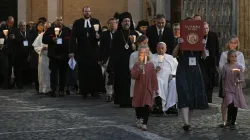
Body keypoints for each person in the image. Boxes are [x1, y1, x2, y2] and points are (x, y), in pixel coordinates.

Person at [172, 17, 209, 131]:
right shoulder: (180, 39)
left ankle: (188, 122)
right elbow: (173, 55)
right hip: (183, 69)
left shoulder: (198, 38)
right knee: (184, 93)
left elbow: (204, 56)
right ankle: (186, 122)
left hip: (195, 70)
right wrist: (179, 44)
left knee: (193, 95)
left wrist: (203, 45)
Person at [69, 6, 105, 98]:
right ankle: (84, 90)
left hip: (94, 50)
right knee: (83, 71)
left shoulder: (96, 21)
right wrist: (72, 51)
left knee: (95, 70)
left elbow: (101, 34)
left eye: (89, 11)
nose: (87, 13)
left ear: (91, 12)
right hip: (82, 50)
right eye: (85, 11)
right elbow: (73, 38)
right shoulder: (77, 23)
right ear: (83, 12)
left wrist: (99, 37)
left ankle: (95, 91)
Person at [108, 12, 138, 107]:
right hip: (120, 63)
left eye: (128, 21)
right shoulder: (117, 34)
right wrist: (112, 63)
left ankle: (132, 100)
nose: (126, 23)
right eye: (125, 21)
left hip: (132, 62)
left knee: (131, 82)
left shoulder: (134, 33)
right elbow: (113, 50)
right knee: (121, 82)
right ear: (121, 22)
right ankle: (122, 101)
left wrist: (135, 47)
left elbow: (141, 48)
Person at [218, 35, 245, 127]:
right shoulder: (224, 54)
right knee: (225, 100)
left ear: (237, 44)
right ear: (228, 43)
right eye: (231, 43)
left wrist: (234, 68)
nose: (233, 45)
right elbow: (221, 67)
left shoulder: (240, 54)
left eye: (235, 43)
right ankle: (224, 120)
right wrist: (228, 66)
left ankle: (232, 119)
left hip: (236, 81)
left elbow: (242, 67)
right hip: (226, 81)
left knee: (235, 101)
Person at [131, 45, 158, 131]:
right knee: (138, 105)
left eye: (145, 52)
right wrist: (139, 69)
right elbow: (133, 76)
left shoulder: (151, 65)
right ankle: (138, 118)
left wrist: (156, 88)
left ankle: (144, 123)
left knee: (147, 105)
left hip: (148, 88)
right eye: (142, 53)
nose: (143, 54)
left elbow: (154, 77)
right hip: (139, 88)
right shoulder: (136, 64)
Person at [43, 17, 71, 97]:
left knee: (63, 73)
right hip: (54, 55)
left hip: (64, 56)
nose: (59, 22)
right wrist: (52, 39)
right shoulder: (50, 30)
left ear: (63, 21)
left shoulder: (67, 30)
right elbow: (44, 39)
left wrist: (71, 52)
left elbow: (71, 41)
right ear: (55, 22)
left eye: (61, 20)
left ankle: (62, 89)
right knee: (53, 74)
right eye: (57, 20)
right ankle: (53, 90)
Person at [221, 50, 247, 130]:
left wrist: (238, 81)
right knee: (230, 104)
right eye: (232, 56)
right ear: (228, 57)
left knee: (235, 105)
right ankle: (228, 120)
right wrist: (223, 89)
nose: (234, 58)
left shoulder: (239, 67)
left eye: (235, 56)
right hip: (228, 89)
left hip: (236, 89)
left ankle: (233, 121)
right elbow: (223, 79)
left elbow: (242, 78)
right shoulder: (225, 67)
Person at [151, 42, 178, 114]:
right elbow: (147, 71)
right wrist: (154, 70)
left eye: (162, 48)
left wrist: (172, 75)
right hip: (156, 77)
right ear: (156, 49)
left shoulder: (171, 58)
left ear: (166, 49)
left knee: (174, 82)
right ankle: (159, 105)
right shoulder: (152, 57)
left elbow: (175, 69)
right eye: (159, 48)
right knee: (158, 80)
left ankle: (171, 105)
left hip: (168, 78)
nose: (161, 50)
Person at [199, 22, 220, 103]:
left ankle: (209, 101)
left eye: (207, 28)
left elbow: (217, 49)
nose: (205, 30)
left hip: (211, 62)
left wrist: (217, 62)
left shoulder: (213, 35)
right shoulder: (199, 36)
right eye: (204, 29)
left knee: (210, 83)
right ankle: (202, 100)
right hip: (201, 62)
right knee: (204, 81)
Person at [99, 18, 118, 102]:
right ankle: (109, 93)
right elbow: (101, 47)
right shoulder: (104, 34)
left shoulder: (119, 34)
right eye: (110, 23)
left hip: (117, 58)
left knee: (117, 76)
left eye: (114, 23)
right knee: (108, 76)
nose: (112, 25)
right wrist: (100, 59)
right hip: (107, 58)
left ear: (117, 24)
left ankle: (116, 92)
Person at [32, 22, 51, 94]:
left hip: (51, 57)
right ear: (44, 28)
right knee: (43, 74)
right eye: (46, 28)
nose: (47, 29)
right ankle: (43, 89)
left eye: (49, 28)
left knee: (50, 73)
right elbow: (35, 46)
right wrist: (41, 48)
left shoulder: (54, 35)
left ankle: (50, 89)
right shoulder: (40, 36)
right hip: (43, 57)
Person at [0, 16, 18, 89]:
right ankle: (4, 83)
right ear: (7, 22)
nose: (11, 24)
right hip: (4, 51)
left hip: (11, 51)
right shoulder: (2, 27)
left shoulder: (14, 29)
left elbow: (17, 39)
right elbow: (1, 38)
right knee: (5, 68)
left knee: (10, 68)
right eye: (10, 23)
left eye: (12, 23)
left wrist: (14, 38)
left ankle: (8, 83)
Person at [14, 21, 31, 89]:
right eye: (21, 26)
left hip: (26, 54)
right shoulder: (16, 33)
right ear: (19, 26)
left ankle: (25, 82)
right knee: (18, 70)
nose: (23, 27)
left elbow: (30, 43)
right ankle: (19, 84)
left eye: (24, 25)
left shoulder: (28, 33)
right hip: (18, 55)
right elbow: (16, 41)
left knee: (25, 69)